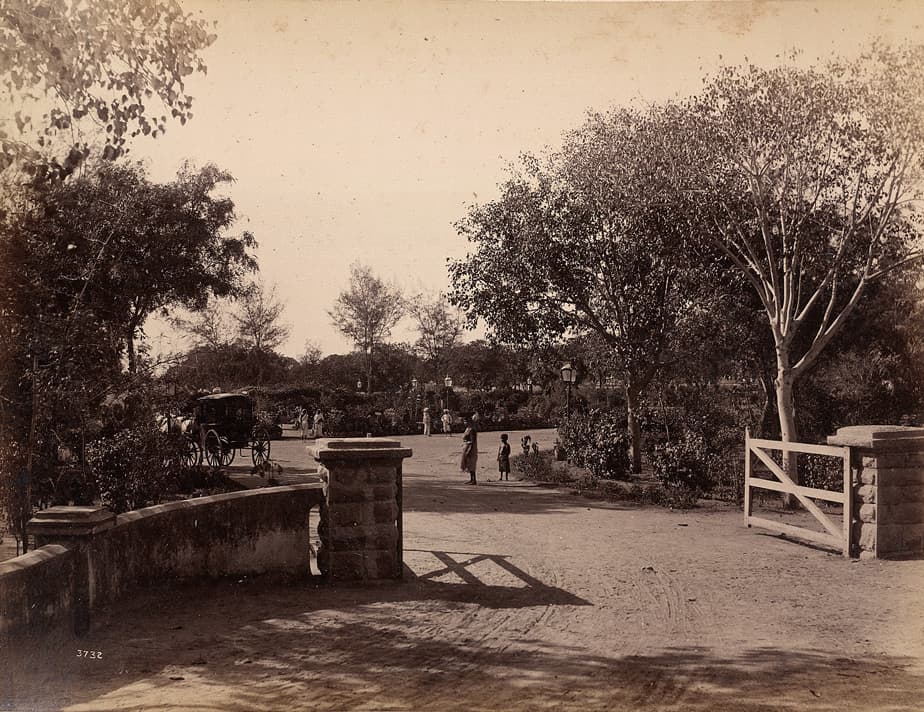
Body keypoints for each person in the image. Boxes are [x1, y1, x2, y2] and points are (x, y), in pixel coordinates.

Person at [460, 415, 479, 484]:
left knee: (472, 464)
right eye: (464, 421)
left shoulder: (472, 430)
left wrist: (468, 450)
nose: (464, 423)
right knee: (468, 464)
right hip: (466, 447)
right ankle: (471, 479)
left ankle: (474, 480)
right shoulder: (467, 429)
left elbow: (472, 441)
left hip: (471, 448)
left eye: (466, 421)